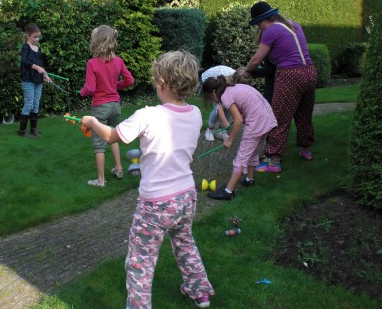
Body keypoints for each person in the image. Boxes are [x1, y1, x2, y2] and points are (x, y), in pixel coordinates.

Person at [81, 51, 214, 309]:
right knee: (185, 242)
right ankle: (200, 292)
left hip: (155, 204)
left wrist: (91, 121)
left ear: (162, 82)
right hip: (186, 196)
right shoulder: (196, 113)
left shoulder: (148, 115)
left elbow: (111, 136)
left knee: (140, 261)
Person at [245, 1, 317, 173]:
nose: (258, 28)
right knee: (304, 114)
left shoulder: (270, 30)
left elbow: (256, 59)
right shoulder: (293, 24)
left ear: (262, 21)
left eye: (257, 24)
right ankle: (306, 149)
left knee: (279, 117)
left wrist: (247, 71)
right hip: (310, 71)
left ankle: (273, 161)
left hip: (290, 74)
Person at [201, 69, 277, 200]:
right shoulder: (234, 87)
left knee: (241, 158)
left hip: (257, 123)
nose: (212, 99)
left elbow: (238, 120)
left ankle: (228, 191)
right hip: (267, 119)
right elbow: (246, 106)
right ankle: (249, 179)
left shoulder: (225, 96)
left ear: (213, 92)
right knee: (253, 152)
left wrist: (229, 140)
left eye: (210, 96)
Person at [79, 25, 134, 187]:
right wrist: (115, 86)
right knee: (113, 136)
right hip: (115, 105)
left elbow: (90, 88)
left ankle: (101, 180)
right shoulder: (118, 61)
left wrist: (81, 93)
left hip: (100, 107)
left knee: (99, 143)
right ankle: (118, 169)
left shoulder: (92, 63)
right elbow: (130, 81)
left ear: (96, 41)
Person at [18, 23, 51, 137]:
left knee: (36, 104)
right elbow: (25, 62)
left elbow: (40, 65)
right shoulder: (25, 47)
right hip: (28, 80)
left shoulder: (38, 49)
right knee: (29, 104)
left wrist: (45, 75)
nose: (37, 39)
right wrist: (37, 68)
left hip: (38, 80)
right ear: (28, 36)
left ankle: (34, 129)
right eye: (35, 37)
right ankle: (22, 131)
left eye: (38, 37)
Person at [200, 65, 234, 141]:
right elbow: (219, 106)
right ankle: (210, 130)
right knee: (217, 108)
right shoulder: (228, 80)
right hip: (209, 80)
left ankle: (221, 131)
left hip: (220, 82)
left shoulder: (236, 83)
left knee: (229, 107)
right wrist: (226, 122)